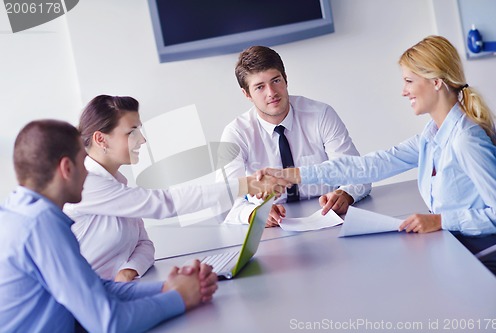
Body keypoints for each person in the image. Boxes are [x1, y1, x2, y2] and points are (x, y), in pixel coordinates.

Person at [261, 36, 496, 277]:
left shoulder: (466, 139)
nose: (403, 91)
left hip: (483, 257)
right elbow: (371, 166)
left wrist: (441, 221)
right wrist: (294, 175)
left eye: (409, 81)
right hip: (457, 249)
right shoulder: (432, 135)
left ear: (436, 82)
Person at [0, 119, 219, 332]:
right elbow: (109, 323)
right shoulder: (41, 225)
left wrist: (166, 288)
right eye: (83, 160)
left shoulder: (18, 212)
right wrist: (180, 297)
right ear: (67, 168)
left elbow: (97, 288)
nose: (87, 170)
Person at [63, 95, 287, 282]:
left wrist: (129, 271)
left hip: (117, 293)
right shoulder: (86, 184)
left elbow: (144, 244)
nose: (142, 140)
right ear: (101, 139)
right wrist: (246, 185)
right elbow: (165, 204)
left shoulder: (117, 183)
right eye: (132, 132)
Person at [218, 45, 371, 227]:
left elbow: (358, 172)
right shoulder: (236, 133)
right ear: (247, 94)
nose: (271, 93)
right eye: (260, 87)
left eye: (276, 81)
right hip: (272, 231)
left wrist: (346, 194)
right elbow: (224, 198)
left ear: (286, 79)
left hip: (328, 218)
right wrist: (253, 214)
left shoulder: (321, 115)